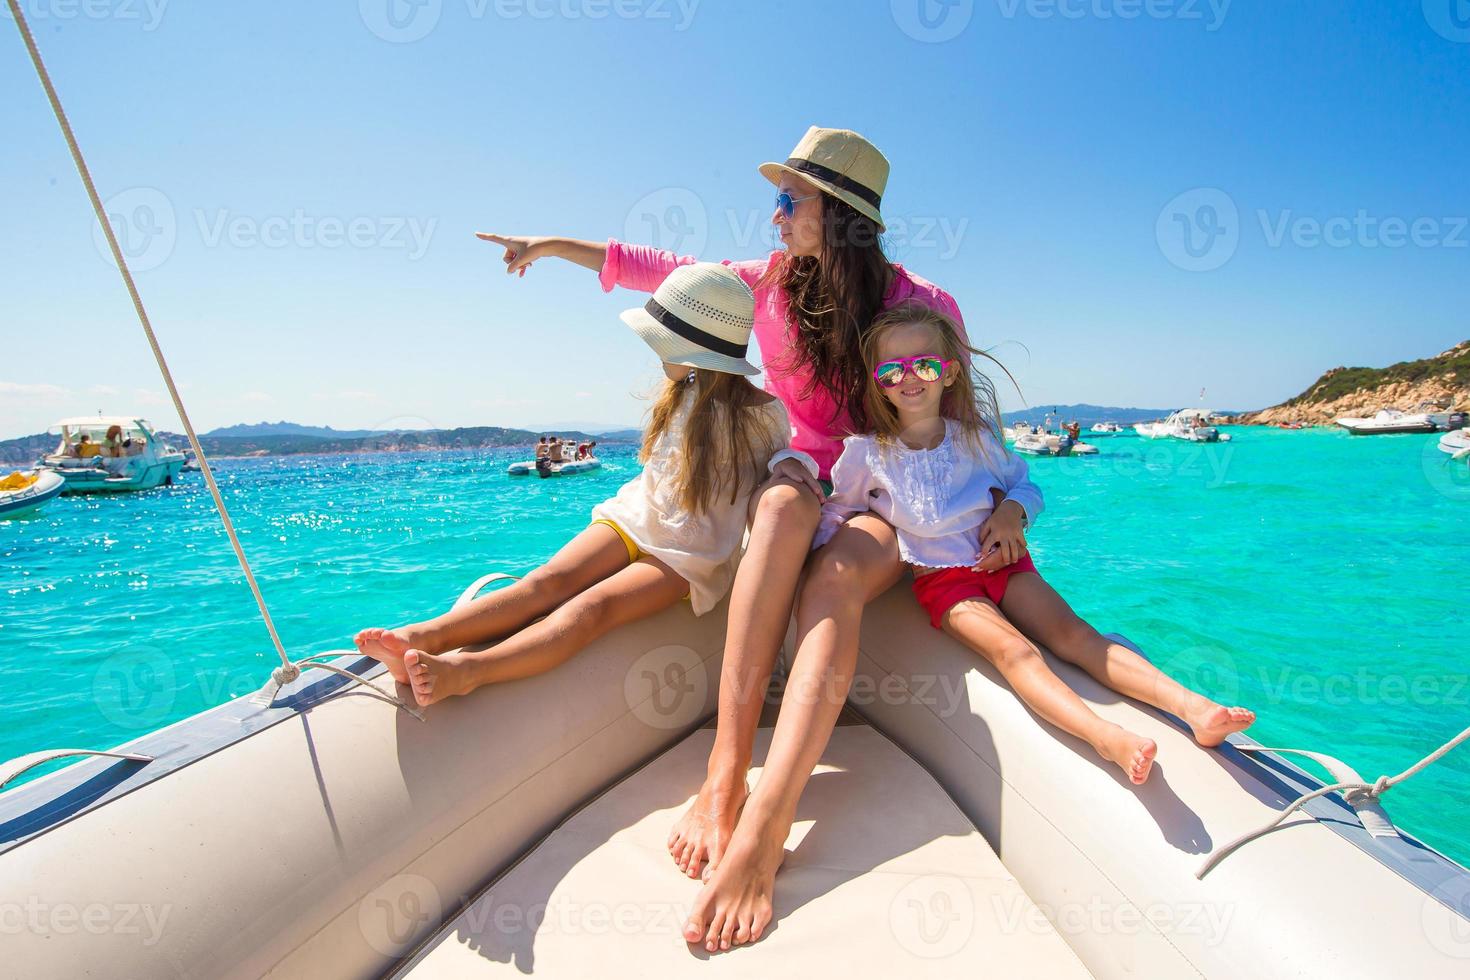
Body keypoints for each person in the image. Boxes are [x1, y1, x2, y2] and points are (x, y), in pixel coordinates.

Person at [477, 126, 996, 952]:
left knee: (830, 583)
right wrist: (550, 245)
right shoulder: (767, 286)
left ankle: (766, 825)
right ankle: (725, 775)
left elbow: (961, 430)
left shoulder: (922, 306)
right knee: (783, 509)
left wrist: (1002, 515)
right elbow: (659, 269)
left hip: (885, 492)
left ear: (843, 216)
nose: (776, 213)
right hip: (803, 478)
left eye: (792, 199)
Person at [819, 303, 1254, 784]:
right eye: (891, 370)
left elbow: (1026, 486)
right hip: (944, 585)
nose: (909, 378)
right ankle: (1104, 736)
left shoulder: (977, 440)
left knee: (1076, 636)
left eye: (924, 365)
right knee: (1016, 653)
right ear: (876, 381)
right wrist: (811, 558)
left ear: (949, 374)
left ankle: (1194, 707)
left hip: (1007, 563)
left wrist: (1011, 513)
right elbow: (839, 508)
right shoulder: (866, 454)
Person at [354, 263, 815, 714]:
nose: (658, 355)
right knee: (546, 581)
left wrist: (790, 461)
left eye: (664, 345)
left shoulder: (763, 414)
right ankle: (424, 636)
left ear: (694, 347)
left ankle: (469, 671)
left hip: (689, 554)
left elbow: (778, 463)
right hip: (638, 515)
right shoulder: (681, 393)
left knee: (593, 608)